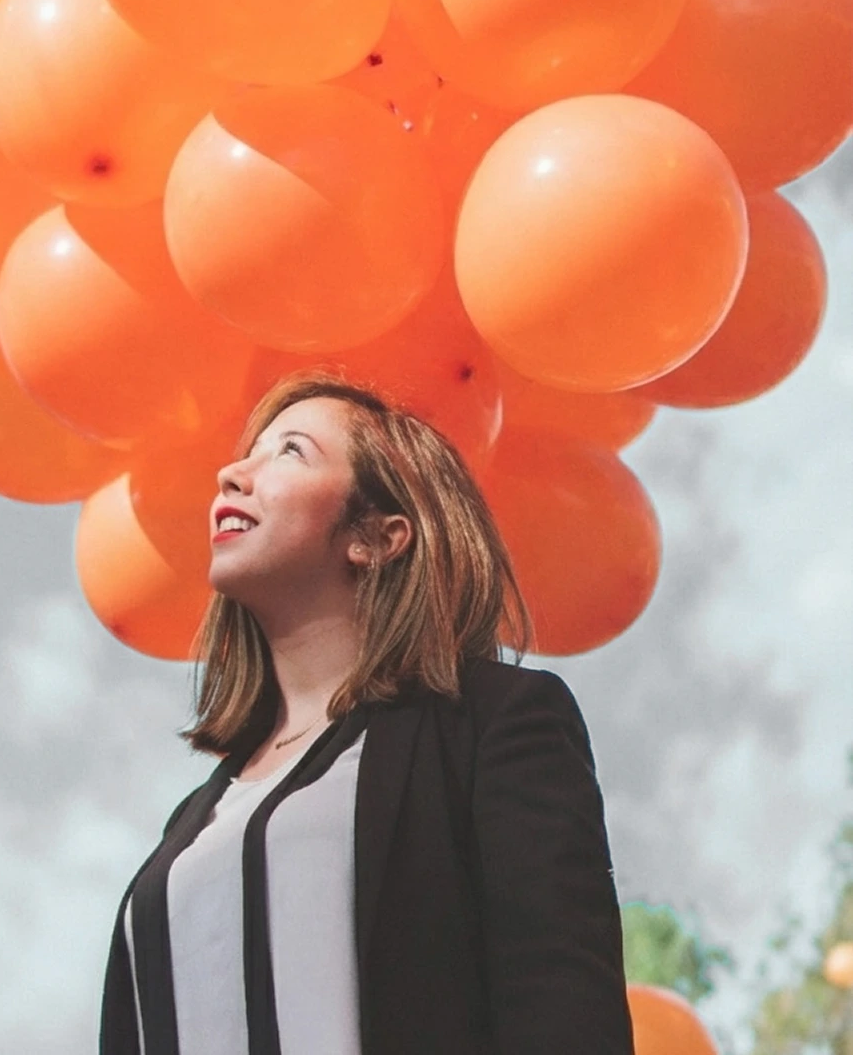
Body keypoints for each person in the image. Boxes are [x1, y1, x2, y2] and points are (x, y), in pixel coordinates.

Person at [99, 369, 634, 1055]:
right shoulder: (193, 822)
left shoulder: (494, 725)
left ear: (379, 537)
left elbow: (564, 1015)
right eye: (246, 454)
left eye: (289, 451)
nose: (233, 474)